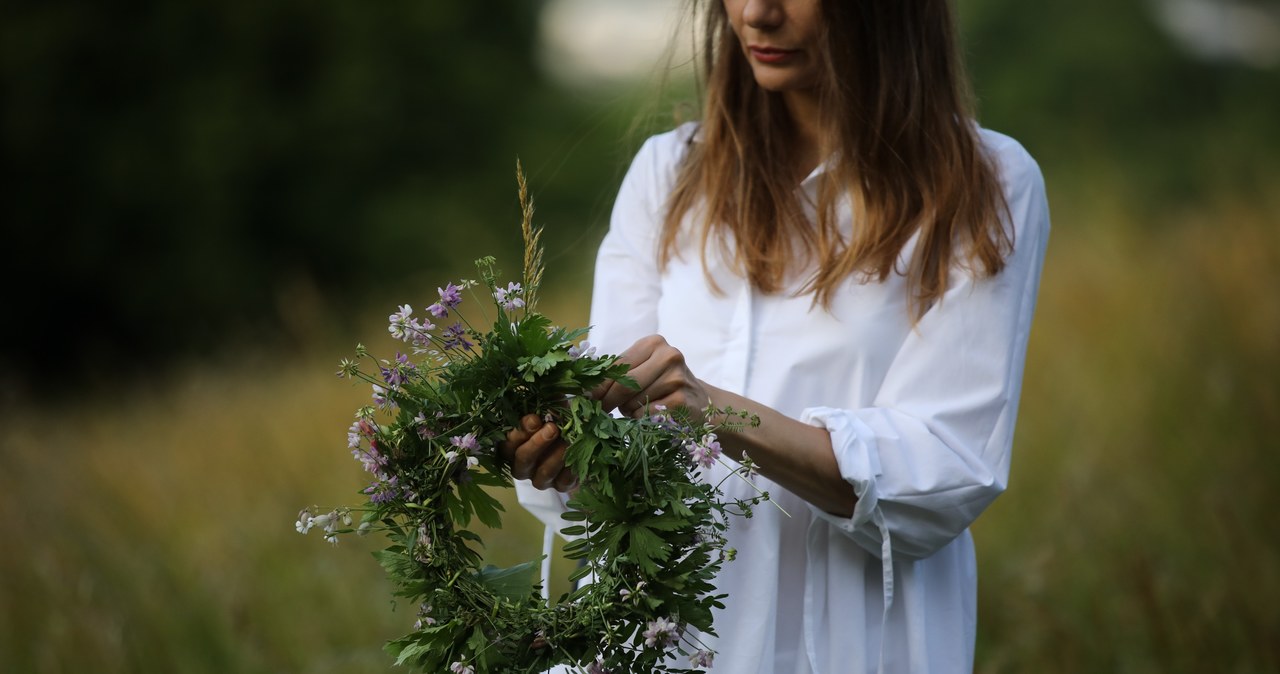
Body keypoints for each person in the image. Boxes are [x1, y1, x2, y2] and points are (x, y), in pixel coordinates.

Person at [500, 0, 1050, 671]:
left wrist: (712, 412)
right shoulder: (669, 174)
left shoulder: (984, 186)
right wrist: (557, 448)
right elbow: (612, 471)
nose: (756, 14)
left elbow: (941, 472)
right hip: (653, 646)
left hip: (850, 647)